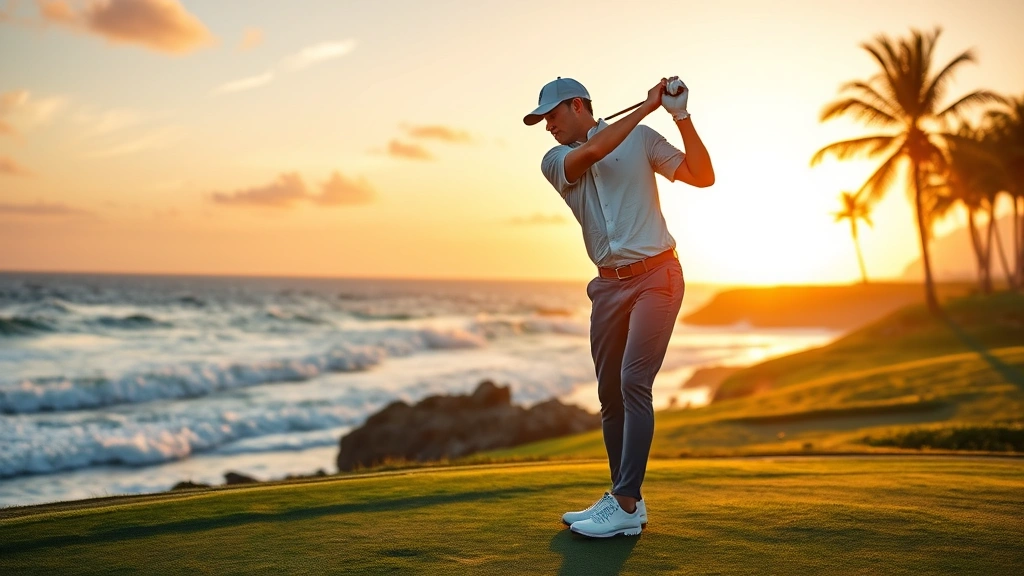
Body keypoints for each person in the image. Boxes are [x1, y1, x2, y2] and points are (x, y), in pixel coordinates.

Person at [523, 76, 714, 538]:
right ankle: (625, 501)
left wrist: (679, 116)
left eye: (551, 115)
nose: (547, 126)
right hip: (608, 287)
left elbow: (702, 176)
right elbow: (592, 152)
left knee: (633, 380)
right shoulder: (555, 160)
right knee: (610, 394)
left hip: (657, 277)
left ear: (576, 105)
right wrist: (647, 106)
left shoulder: (642, 140)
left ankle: (625, 502)